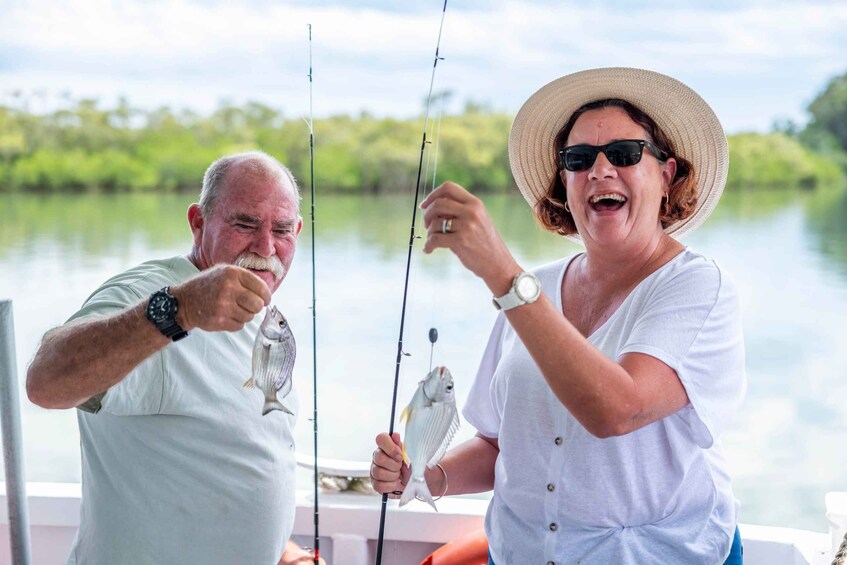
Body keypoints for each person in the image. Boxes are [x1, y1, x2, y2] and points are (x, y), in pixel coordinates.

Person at [370, 68, 746, 564]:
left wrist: (504, 275)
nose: (601, 169)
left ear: (667, 175)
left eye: (626, 154)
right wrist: (425, 474)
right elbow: (501, 445)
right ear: (564, 183)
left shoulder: (697, 285)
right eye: (579, 158)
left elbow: (617, 409)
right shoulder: (534, 290)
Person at [27, 151, 324, 565]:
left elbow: (229, 454)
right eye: (245, 224)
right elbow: (46, 380)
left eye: (282, 230)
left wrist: (280, 551)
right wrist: (180, 308)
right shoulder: (152, 293)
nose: (265, 246)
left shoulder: (256, 311)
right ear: (198, 223)